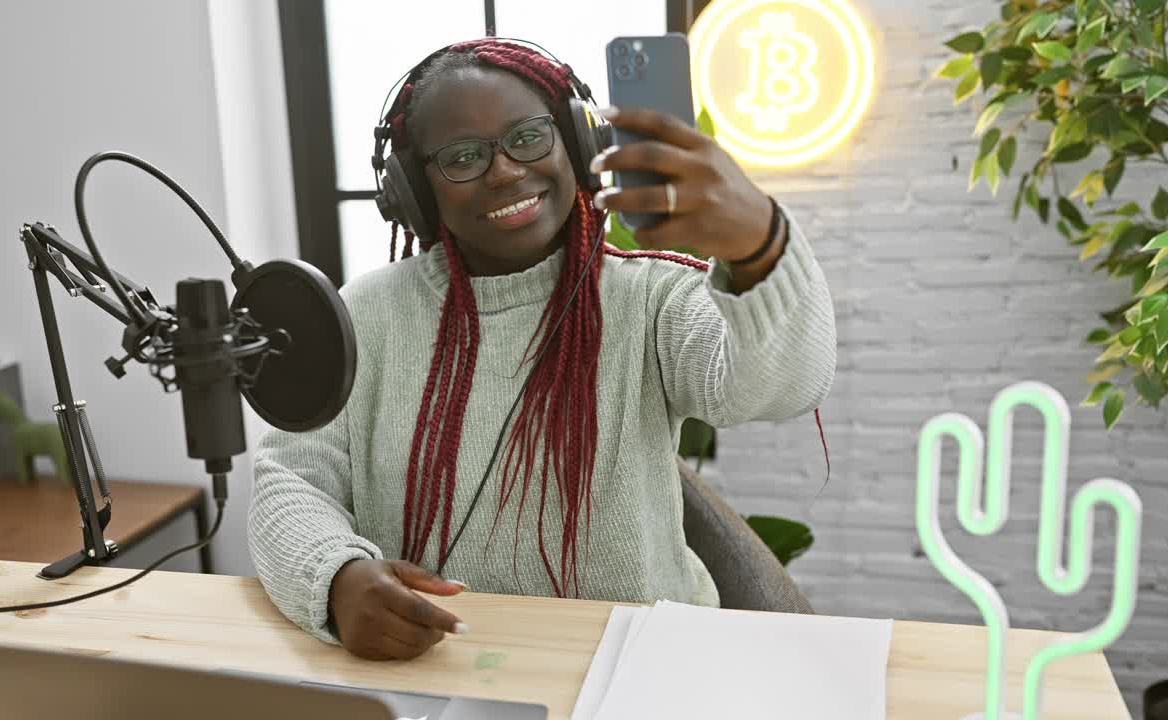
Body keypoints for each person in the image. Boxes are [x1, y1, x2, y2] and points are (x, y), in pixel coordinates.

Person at [248, 39, 836, 661]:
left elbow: (779, 385)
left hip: (635, 667)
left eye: (528, 137)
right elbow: (291, 479)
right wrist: (335, 580)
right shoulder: (367, 313)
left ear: (577, 147)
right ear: (415, 192)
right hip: (438, 672)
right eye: (463, 157)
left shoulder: (650, 299)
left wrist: (758, 246)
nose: (504, 171)